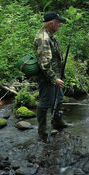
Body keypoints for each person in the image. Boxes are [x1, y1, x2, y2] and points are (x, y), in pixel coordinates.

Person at [34, 11, 70, 142]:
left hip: (56, 75)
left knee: (59, 98)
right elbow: (44, 64)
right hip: (48, 77)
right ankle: (42, 130)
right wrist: (54, 79)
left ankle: (57, 122)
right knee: (45, 102)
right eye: (58, 22)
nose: (59, 25)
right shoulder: (43, 38)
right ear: (50, 24)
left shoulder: (50, 35)